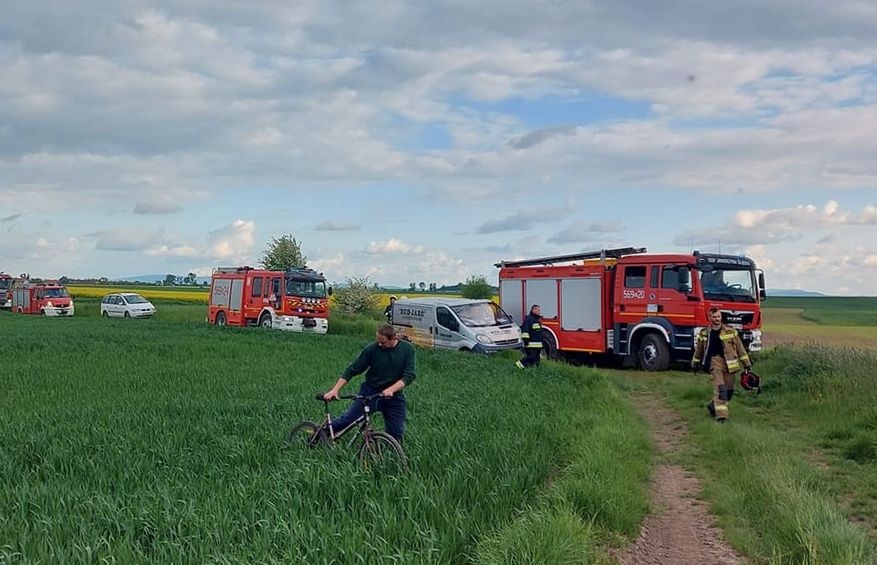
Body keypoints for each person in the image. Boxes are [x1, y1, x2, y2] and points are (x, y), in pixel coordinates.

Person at [322, 324, 415, 442]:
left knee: (396, 433)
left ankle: (389, 457)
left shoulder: (407, 349)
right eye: (378, 341)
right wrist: (335, 389)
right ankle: (319, 434)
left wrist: (391, 390)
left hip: (394, 397)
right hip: (370, 393)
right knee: (347, 420)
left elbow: (409, 375)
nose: (380, 345)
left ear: (394, 338)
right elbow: (352, 370)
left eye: (383, 342)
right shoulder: (372, 349)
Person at [691, 307, 752, 422]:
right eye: (714, 317)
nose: (717, 319)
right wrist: (695, 364)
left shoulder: (731, 331)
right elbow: (698, 350)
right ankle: (722, 416)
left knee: (729, 391)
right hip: (714, 362)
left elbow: (740, 348)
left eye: (718, 316)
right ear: (709, 318)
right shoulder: (704, 333)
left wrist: (746, 364)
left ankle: (712, 406)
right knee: (721, 389)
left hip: (730, 364)